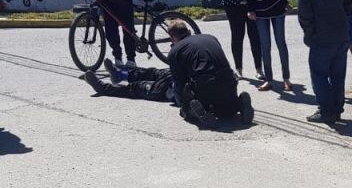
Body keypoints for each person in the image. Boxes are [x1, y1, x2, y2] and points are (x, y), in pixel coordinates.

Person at [83, 24, 254, 128]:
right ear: (187, 30)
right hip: (229, 84)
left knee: (144, 88)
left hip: (203, 88)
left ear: (172, 37)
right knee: (159, 73)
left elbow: (179, 86)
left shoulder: (176, 50)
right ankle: (238, 103)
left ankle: (103, 87)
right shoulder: (210, 37)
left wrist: (184, 106)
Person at [297, 0, 352, 125]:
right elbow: (349, 4)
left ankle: (326, 110)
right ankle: (337, 108)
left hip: (321, 37)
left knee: (319, 74)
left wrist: (309, 33)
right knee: (338, 74)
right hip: (341, 35)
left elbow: (304, 12)